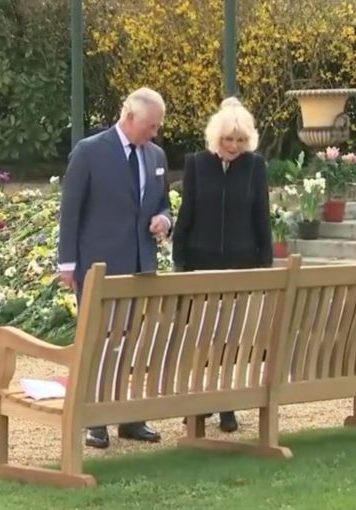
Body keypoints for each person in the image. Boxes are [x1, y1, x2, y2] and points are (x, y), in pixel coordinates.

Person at [57, 87, 173, 449]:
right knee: (98, 342)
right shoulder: (90, 151)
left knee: (134, 344)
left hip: (141, 265)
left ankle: (130, 417)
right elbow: (70, 210)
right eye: (150, 126)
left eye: (157, 127)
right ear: (129, 116)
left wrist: (164, 221)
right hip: (98, 266)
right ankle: (94, 420)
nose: (154, 133)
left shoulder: (156, 155)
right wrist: (67, 264)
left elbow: (164, 202)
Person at [171, 97, 273, 433]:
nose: (233, 146)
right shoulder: (197, 164)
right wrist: (180, 258)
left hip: (241, 262)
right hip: (202, 261)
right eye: (228, 139)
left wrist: (265, 261)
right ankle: (197, 403)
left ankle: (227, 404)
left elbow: (261, 215)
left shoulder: (255, 167)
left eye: (240, 141)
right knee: (200, 337)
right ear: (217, 138)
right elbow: (187, 212)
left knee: (231, 338)